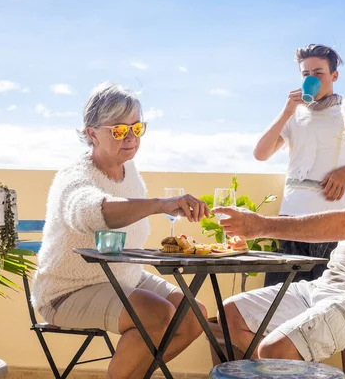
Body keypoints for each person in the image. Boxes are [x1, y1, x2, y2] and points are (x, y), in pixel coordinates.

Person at [213, 89, 345, 367]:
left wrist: (259, 226)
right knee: (230, 315)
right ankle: (301, 371)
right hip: (328, 287)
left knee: (274, 350)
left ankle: (288, 366)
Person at [31, 82, 210, 379]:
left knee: (194, 316)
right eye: (118, 130)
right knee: (155, 313)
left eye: (136, 128)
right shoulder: (75, 177)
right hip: (68, 290)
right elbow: (93, 212)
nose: (130, 137)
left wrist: (157, 206)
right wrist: (158, 204)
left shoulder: (131, 173)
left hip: (125, 277)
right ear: (92, 134)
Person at [254, 44, 345, 286]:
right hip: (289, 219)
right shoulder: (294, 115)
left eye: (318, 73)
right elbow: (261, 154)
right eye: (306, 74)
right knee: (276, 299)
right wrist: (286, 112)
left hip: (330, 220)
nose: (311, 78)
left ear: (334, 76)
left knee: (321, 300)